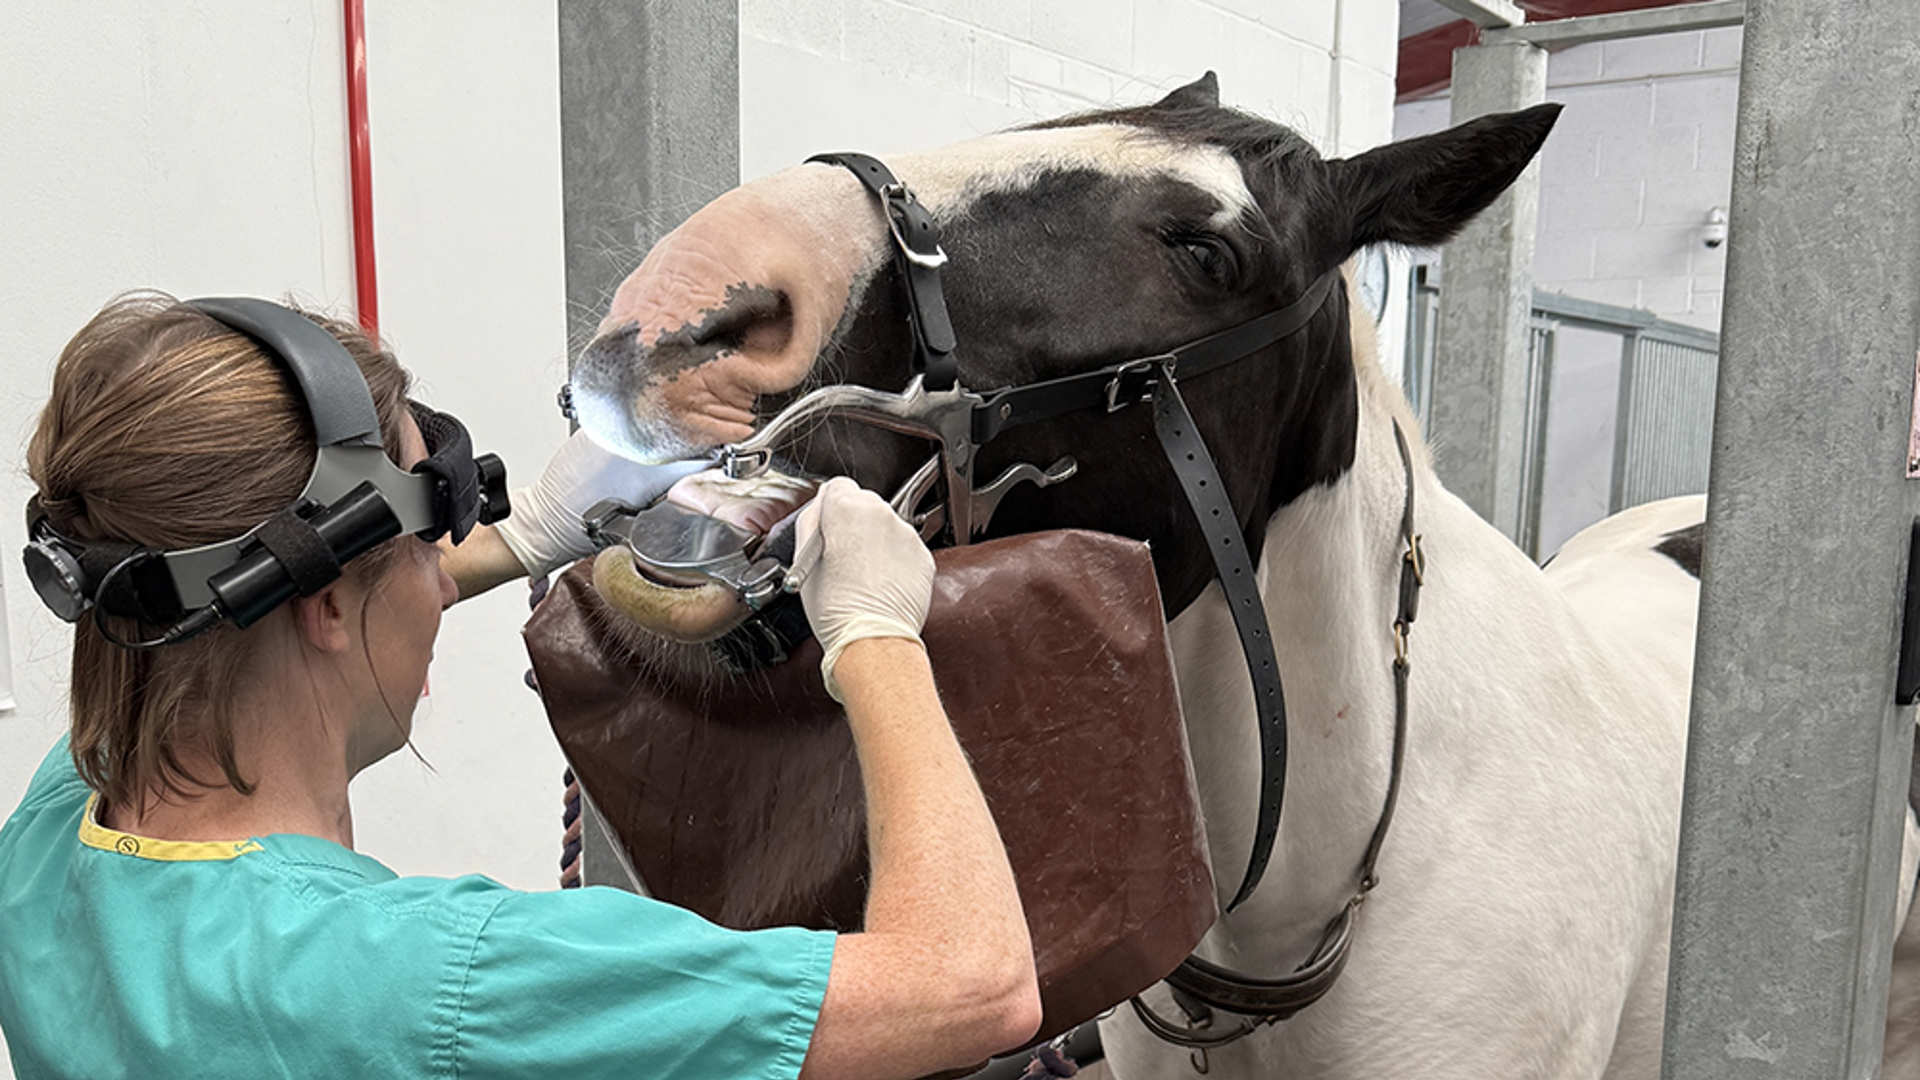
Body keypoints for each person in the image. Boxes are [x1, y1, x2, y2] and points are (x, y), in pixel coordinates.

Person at [0, 293, 1040, 1079]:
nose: (438, 566)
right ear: (321, 607)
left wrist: (531, 527)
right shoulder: (445, 982)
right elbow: (970, 987)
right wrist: (873, 637)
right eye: (427, 535)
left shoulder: (55, 833)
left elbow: (244, 614)